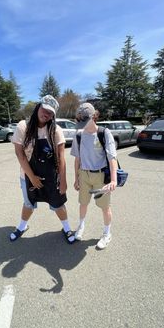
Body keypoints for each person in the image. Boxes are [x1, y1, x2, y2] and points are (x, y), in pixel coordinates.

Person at [10, 95, 75, 244]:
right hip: (27, 175)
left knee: (58, 204)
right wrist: (32, 177)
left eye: (50, 113)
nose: (46, 114)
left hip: (52, 175)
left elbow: (61, 156)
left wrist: (63, 181)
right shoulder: (23, 126)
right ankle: (22, 226)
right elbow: (19, 153)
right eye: (44, 109)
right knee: (28, 203)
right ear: (39, 106)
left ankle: (66, 228)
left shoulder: (55, 129)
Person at [70, 103, 117, 249]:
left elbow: (112, 158)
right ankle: (81, 226)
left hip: (101, 176)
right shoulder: (78, 135)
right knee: (83, 203)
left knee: (105, 207)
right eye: (80, 121)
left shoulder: (104, 133)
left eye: (85, 120)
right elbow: (77, 159)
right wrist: (76, 178)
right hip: (84, 174)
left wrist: (114, 180)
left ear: (93, 117)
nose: (82, 124)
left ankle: (107, 233)